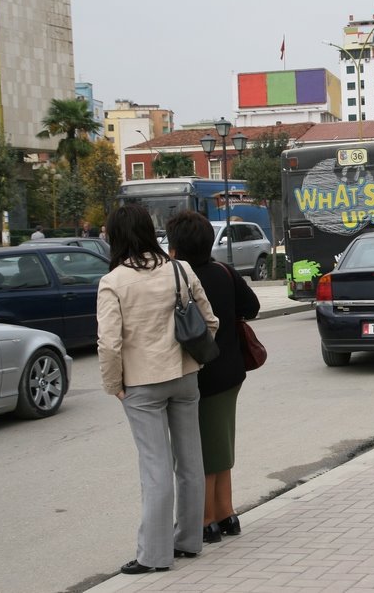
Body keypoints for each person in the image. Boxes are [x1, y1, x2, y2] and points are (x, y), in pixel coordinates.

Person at [97, 204, 218, 574]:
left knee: (155, 469)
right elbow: (210, 321)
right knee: (191, 461)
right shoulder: (179, 269)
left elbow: (109, 344)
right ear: (148, 232)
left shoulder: (113, 282)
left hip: (141, 384)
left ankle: (154, 555)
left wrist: (114, 385)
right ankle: (189, 541)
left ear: (116, 237)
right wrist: (194, 360)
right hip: (184, 376)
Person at [165, 211, 260, 544]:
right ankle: (226, 513)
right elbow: (252, 307)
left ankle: (207, 520)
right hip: (231, 371)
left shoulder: (178, 279)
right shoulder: (224, 271)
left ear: (175, 247)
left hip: (199, 374)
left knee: (203, 450)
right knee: (221, 442)